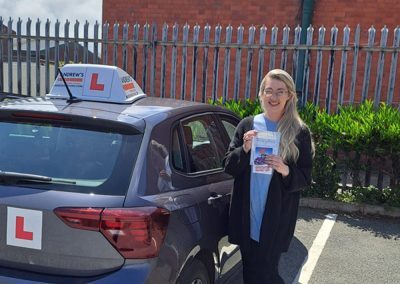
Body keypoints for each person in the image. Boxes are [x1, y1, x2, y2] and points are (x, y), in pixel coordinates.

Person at [223, 69, 314, 283]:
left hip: (276, 216)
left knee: (267, 273)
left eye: (279, 92)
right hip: (247, 213)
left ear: (289, 96)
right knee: (250, 272)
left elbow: (305, 176)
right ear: (261, 94)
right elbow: (228, 165)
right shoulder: (247, 125)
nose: (273, 97)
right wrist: (244, 149)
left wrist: (285, 170)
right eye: (269, 91)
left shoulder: (299, 131)